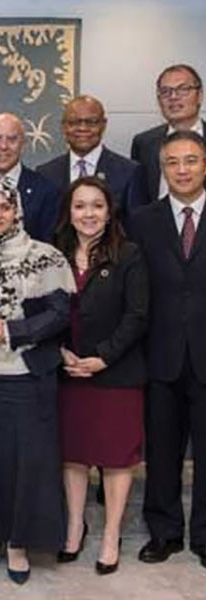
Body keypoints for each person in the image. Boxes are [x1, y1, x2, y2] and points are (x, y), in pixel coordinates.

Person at [0, 179, 74, 585]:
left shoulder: (45, 257)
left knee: (30, 464)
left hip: (30, 378)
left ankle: (19, 543)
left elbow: (59, 314)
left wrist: (9, 332)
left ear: (17, 211)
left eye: (4, 207)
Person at [52, 176, 148, 574]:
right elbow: (41, 308)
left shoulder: (129, 254)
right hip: (67, 372)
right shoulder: (53, 252)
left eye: (96, 206)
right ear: (68, 213)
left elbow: (138, 315)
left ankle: (110, 535)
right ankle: (75, 526)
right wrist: (59, 352)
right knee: (72, 456)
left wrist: (103, 358)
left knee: (115, 459)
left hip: (116, 375)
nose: (88, 214)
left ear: (109, 213)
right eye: (79, 206)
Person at [132, 130, 206, 569]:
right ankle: (164, 532)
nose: (182, 169)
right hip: (159, 355)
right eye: (173, 162)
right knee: (161, 453)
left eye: (191, 160)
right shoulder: (143, 220)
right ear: (162, 168)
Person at [38, 95, 147, 228]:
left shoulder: (129, 172)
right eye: (74, 122)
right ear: (63, 127)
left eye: (91, 122)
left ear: (103, 125)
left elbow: (137, 227)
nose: (83, 128)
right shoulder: (46, 173)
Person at [0, 113, 61, 242]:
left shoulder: (46, 190)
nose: (3, 146)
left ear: (23, 144)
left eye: (12, 139)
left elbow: (48, 243)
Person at [131, 64, 206, 204]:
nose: (173, 97)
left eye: (183, 89)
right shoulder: (144, 143)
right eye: (165, 91)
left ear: (200, 96)